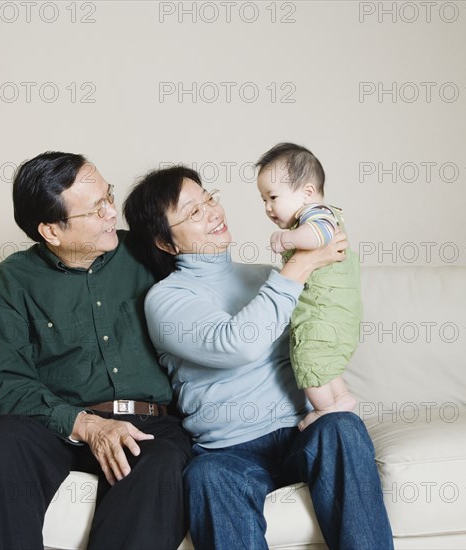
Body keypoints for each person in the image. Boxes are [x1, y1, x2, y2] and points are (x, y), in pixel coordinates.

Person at [124, 166, 393, 550]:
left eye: (209, 199)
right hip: (231, 450)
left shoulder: (265, 275)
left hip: (303, 431)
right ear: (166, 243)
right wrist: (297, 267)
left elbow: (320, 325)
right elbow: (237, 344)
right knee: (207, 476)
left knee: (343, 427)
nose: (214, 212)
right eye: (194, 212)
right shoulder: (166, 300)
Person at [0, 152, 193, 550]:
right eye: (96, 208)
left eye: (108, 197)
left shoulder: (148, 253)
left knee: (162, 463)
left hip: (149, 426)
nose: (112, 214)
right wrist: (85, 424)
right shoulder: (5, 286)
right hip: (55, 426)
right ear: (52, 231)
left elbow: (210, 281)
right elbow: (4, 385)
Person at [255, 142, 362, 430]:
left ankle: (325, 408)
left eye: (273, 197)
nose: (268, 207)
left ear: (307, 193)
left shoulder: (317, 214)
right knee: (324, 362)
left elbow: (319, 235)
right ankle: (341, 398)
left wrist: (288, 239)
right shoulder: (314, 214)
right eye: (263, 199)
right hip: (335, 314)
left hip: (324, 313)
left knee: (307, 357)